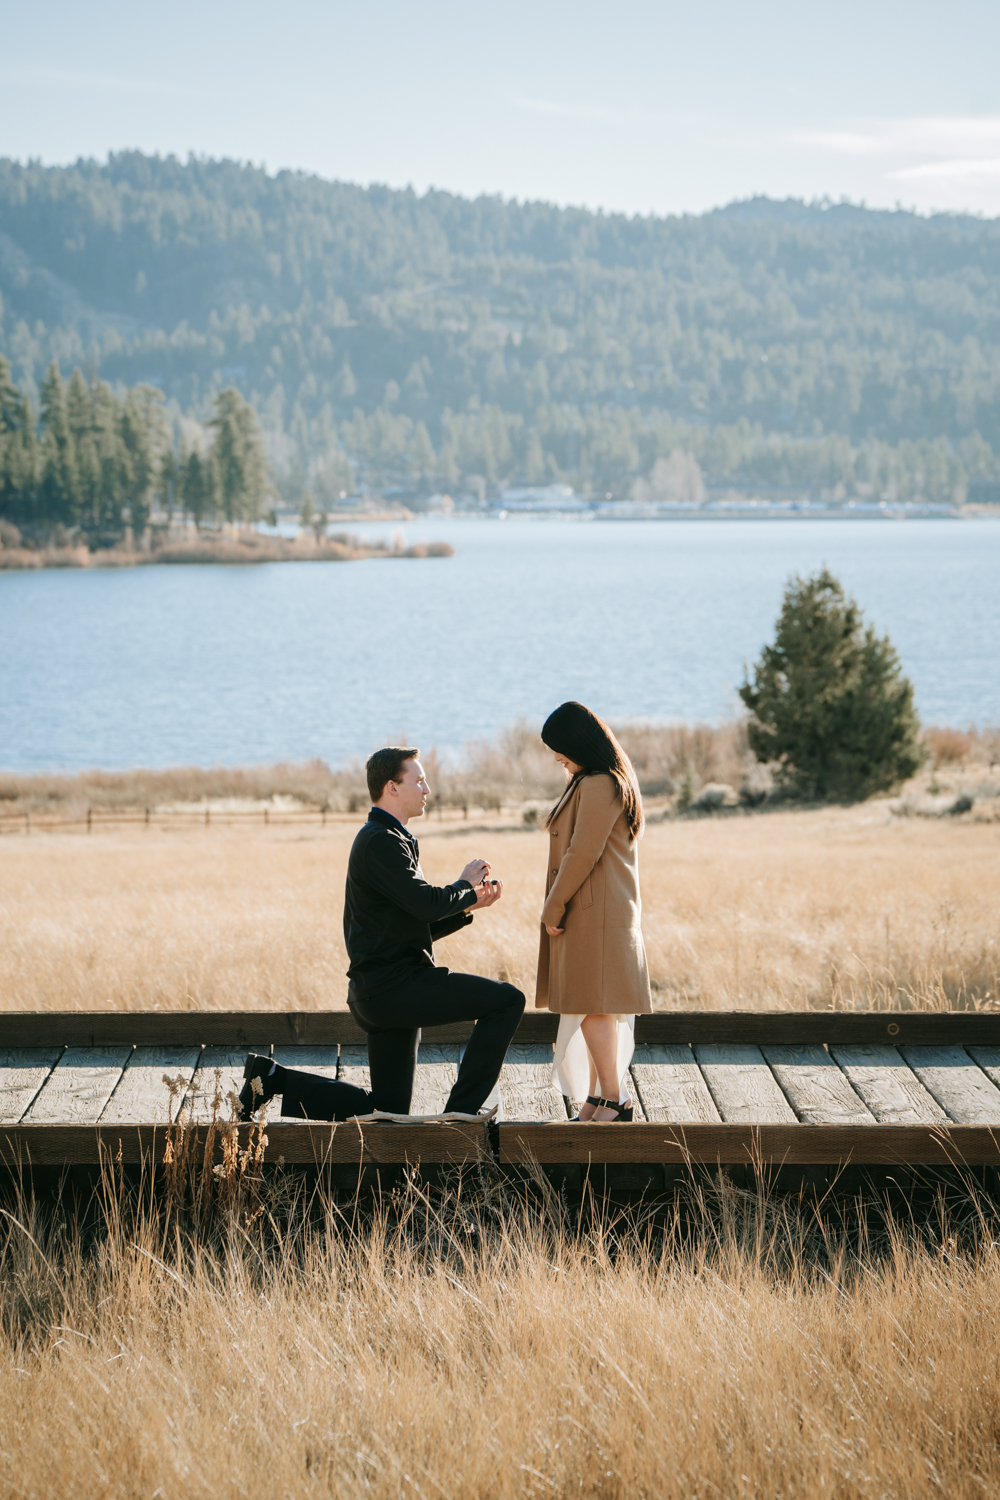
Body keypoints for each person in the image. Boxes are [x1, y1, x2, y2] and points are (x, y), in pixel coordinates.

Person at [239, 746, 524, 1121]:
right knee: (507, 1001)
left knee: (386, 1113)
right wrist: (464, 887)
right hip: (394, 989)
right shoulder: (380, 841)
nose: (427, 789)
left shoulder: (391, 838)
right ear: (392, 787)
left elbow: (411, 927)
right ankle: (461, 1115)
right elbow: (426, 904)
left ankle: (272, 1078)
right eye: (418, 780)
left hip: (381, 993)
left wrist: (469, 904)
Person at [535, 702, 651, 1121]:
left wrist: (552, 906)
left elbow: (582, 853)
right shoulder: (595, 779)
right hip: (594, 911)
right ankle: (599, 1098)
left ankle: (615, 1100)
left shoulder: (600, 783)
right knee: (592, 1006)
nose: (556, 757)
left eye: (560, 748)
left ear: (579, 743)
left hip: (594, 913)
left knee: (592, 1006)